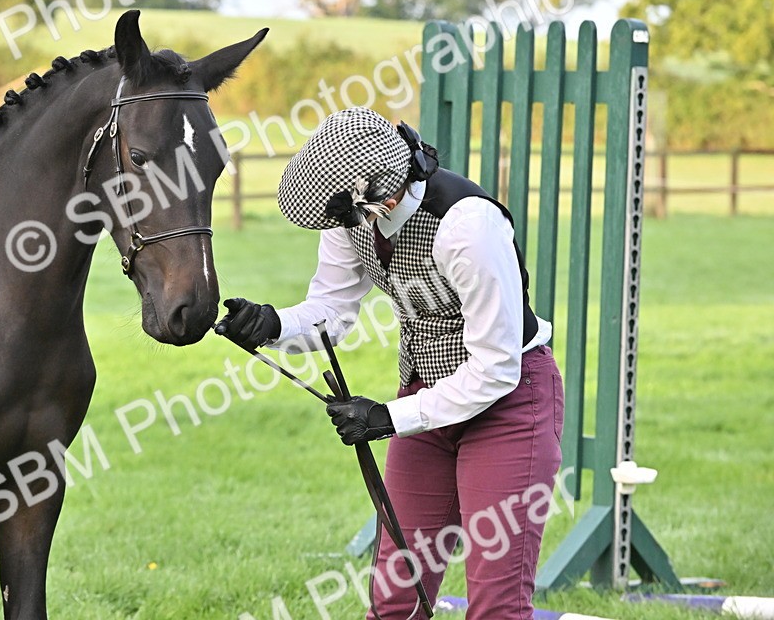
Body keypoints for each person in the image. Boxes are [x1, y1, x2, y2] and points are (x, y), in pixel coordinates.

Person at [216, 108, 563, 620]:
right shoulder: (352, 213)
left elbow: (495, 368)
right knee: (396, 598)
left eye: (340, 215)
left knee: (496, 606)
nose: (335, 227)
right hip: (427, 399)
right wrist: (271, 325)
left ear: (378, 194)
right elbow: (332, 312)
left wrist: (388, 418)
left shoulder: (468, 229)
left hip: (511, 407)